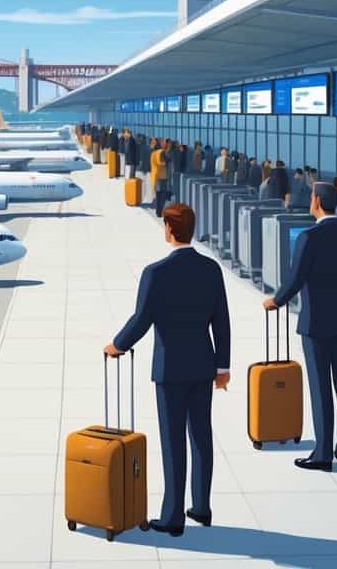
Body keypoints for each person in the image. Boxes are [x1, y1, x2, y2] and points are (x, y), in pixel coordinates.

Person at [105, 203, 231, 536]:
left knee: (174, 443)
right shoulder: (211, 269)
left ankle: (173, 516)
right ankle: (201, 507)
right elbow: (222, 321)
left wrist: (118, 344)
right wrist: (223, 366)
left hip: (171, 370)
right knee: (201, 436)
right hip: (203, 366)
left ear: (169, 229)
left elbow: (141, 319)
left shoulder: (155, 273)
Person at [264, 182, 337, 471]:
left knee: (321, 388)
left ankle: (322, 454)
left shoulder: (309, 238)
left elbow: (296, 278)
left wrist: (276, 301)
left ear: (318, 202)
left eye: (311, 198)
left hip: (316, 324)